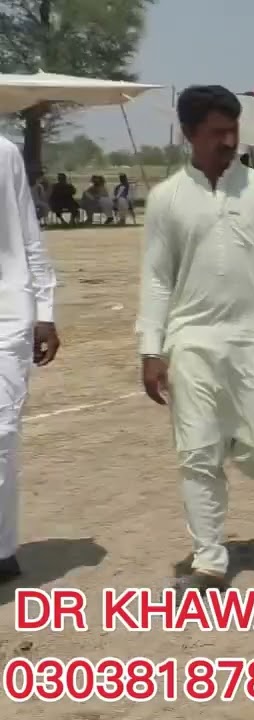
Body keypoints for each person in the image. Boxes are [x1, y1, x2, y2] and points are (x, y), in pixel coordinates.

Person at [136, 85, 254, 592]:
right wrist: (150, 348)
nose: (227, 141)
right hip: (192, 340)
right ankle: (209, 559)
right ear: (189, 134)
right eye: (216, 132)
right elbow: (156, 278)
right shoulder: (166, 199)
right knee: (196, 453)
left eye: (232, 130)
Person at [0, 137, 60, 583]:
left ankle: (2, 548)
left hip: (6, 314)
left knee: (2, 434)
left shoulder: (3, 153)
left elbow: (27, 232)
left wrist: (45, 311)